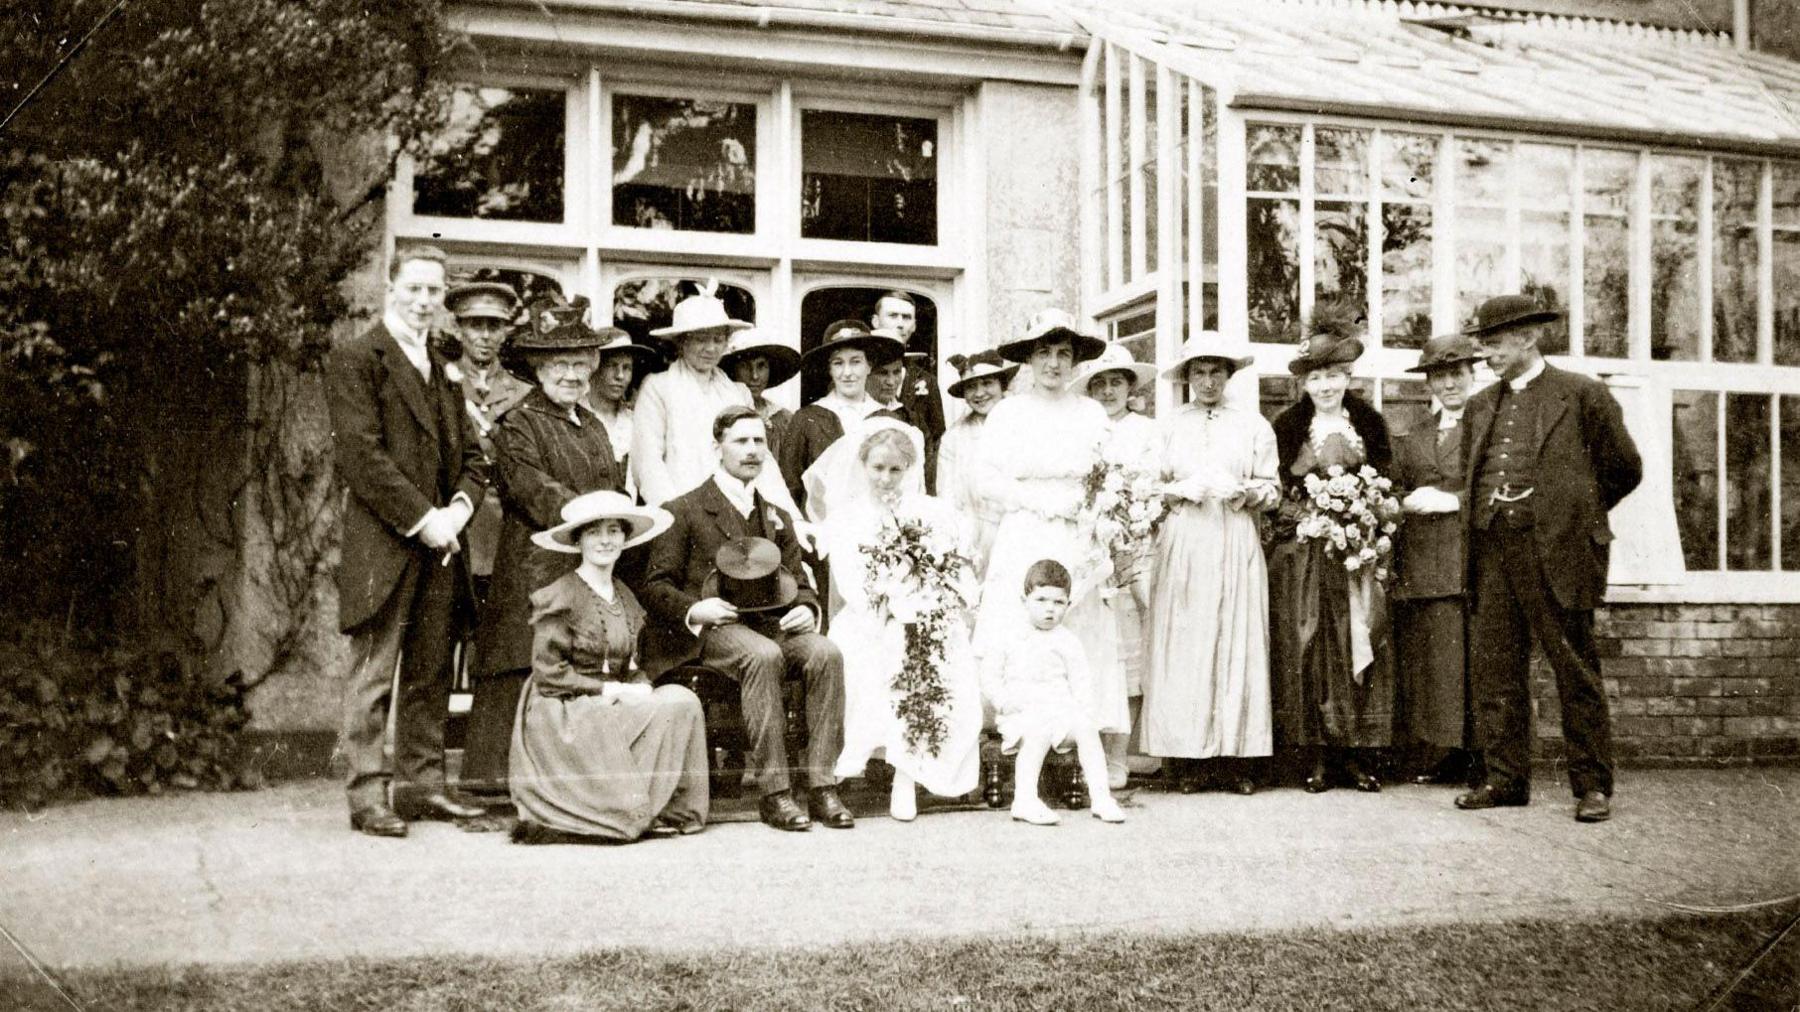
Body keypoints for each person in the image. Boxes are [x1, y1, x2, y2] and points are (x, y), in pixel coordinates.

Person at [325, 245, 495, 837]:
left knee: (430, 672)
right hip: (387, 543)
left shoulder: (443, 366)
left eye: (434, 291)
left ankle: (422, 788)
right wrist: (426, 520)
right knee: (374, 673)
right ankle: (367, 794)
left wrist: (458, 509)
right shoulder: (357, 358)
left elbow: (473, 457)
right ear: (390, 288)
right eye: (415, 289)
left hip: (442, 544)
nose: (425, 301)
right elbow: (362, 457)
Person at [1454, 295, 1641, 824]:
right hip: (1492, 549)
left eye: (1492, 342)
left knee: (1574, 669)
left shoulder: (1582, 395)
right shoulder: (1480, 405)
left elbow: (1624, 468)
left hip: (1557, 552)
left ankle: (1592, 786)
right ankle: (1506, 779)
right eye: (1482, 342)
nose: (1484, 351)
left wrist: (1573, 514)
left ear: (1528, 337)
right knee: (1495, 670)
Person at [641, 406, 853, 833]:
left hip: (770, 627)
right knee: (762, 655)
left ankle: (821, 786)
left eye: (759, 442)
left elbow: (798, 578)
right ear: (717, 447)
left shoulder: (775, 514)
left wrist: (806, 608)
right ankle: (775, 792)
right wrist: (694, 609)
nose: (752, 450)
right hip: (713, 632)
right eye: (741, 441)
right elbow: (655, 585)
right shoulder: (684, 510)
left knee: (825, 652)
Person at [465, 296, 626, 796]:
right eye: (560, 364)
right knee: (524, 661)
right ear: (538, 368)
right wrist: (594, 518)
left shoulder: (595, 425)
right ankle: (495, 784)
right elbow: (531, 488)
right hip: (534, 567)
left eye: (581, 363)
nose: (572, 375)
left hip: (586, 563)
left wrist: (615, 519)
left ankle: (558, 786)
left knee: (572, 670)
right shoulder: (520, 422)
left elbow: (613, 488)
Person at [804, 418, 982, 821]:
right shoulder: (847, 518)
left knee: (938, 648)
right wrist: (889, 605)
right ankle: (870, 763)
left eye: (895, 470)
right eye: (878, 468)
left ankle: (908, 773)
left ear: (910, 470)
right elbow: (852, 582)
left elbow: (952, 569)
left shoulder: (933, 513)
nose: (886, 478)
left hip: (923, 614)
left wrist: (928, 603)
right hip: (871, 616)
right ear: (863, 466)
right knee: (879, 652)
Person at [509, 491, 708, 844]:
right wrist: (611, 690)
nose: (605, 540)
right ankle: (622, 809)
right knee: (652, 706)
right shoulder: (561, 595)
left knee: (681, 700)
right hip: (565, 710)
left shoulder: (625, 596)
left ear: (625, 538)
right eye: (594, 532)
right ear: (578, 540)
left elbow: (628, 665)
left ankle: (664, 807)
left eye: (614, 530)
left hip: (610, 701)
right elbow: (548, 673)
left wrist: (639, 684)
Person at [975, 309, 1126, 749]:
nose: (1054, 363)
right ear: (1029, 359)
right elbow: (985, 479)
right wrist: (1035, 500)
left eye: (1064, 353)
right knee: (1022, 625)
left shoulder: (1091, 411)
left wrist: (1095, 511)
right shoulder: (1008, 412)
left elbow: (1110, 473)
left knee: (1079, 630)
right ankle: (1022, 738)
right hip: (1026, 530)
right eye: (1044, 353)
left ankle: (1077, 744)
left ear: (1076, 360)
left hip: (1079, 534)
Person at [1142, 333, 1280, 795]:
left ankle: (1238, 760)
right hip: (1185, 538)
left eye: (1215, 371)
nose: (1207, 381)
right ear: (1186, 378)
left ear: (1228, 374)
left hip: (1235, 536)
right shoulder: (1167, 426)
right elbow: (1144, 487)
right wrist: (1177, 490)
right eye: (1198, 372)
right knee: (1186, 641)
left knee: (1236, 637)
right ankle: (1187, 759)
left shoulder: (1253, 425)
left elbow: (1273, 488)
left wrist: (1247, 491)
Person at [1268, 303, 1396, 794]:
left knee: (1359, 646)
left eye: (1334, 376)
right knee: (1315, 650)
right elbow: (1275, 494)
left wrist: (1368, 515)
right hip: (1306, 558)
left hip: (1357, 554)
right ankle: (1317, 756)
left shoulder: (1369, 422)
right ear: (1304, 383)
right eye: (1315, 378)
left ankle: (1357, 757)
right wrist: (1311, 519)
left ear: (1347, 376)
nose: (1325, 387)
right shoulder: (1287, 427)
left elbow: (1387, 485)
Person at [1390, 333, 1484, 787]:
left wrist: (1455, 502)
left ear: (1472, 375)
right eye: (1439, 376)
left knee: (1470, 659)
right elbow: (1396, 483)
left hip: (1468, 559)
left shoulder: (1487, 423)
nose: (1449, 384)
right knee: (1432, 661)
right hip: (1421, 561)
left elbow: (1501, 486)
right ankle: (1444, 749)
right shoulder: (1416, 431)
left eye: (1457, 374)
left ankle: (1479, 754)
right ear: (1428, 383)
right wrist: (1402, 501)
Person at [1071, 342, 1159, 791]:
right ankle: (1080, 754)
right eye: (1100, 383)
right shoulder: (1079, 426)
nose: (1108, 391)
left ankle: (1120, 755)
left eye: (1116, 382)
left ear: (1130, 387)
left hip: (1134, 545)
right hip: (1088, 547)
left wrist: (1129, 523)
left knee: (1130, 650)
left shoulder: (1147, 431)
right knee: (1088, 651)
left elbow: (1153, 487)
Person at [631, 292, 801, 518]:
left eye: (718, 339)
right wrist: (676, 516)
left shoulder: (736, 392)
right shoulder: (659, 388)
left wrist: (790, 516)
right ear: (682, 341)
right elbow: (648, 464)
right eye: (701, 339)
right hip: (682, 512)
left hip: (736, 511)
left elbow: (761, 458)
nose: (711, 348)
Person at [983, 559, 1126, 826]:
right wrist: (1003, 702)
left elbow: (1081, 683)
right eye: (1041, 600)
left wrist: (1081, 712)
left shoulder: (1068, 641)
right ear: (1024, 599)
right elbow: (990, 676)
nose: (1050, 609)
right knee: (1037, 731)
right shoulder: (1009, 636)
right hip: (1022, 713)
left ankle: (1102, 798)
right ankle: (1024, 800)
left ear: (1068, 605)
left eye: (1058, 603)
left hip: (1060, 712)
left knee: (1086, 728)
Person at [446, 281, 531, 590]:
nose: (484, 335)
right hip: (452, 526)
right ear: (458, 329)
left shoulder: (523, 393)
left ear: (505, 332)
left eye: (494, 325)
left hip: (504, 535)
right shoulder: (440, 385)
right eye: (474, 325)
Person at [778, 320, 905, 514]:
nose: (847, 373)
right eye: (838, 363)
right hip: (823, 531)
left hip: (878, 530)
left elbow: (904, 484)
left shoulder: (889, 420)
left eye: (856, 362)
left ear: (869, 366)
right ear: (829, 369)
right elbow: (789, 487)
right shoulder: (806, 419)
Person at [936, 351, 1017, 583]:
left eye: (988, 383)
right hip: (974, 532)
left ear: (1003, 386)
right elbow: (947, 494)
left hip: (1018, 526)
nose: (980, 393)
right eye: (972, 386)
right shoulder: (955, 436)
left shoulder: (1023, 423)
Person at [871, 291, 946, 492]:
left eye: (906, 317)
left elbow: (936, 439)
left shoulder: (926, 381)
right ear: (876, 321)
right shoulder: (860, 373)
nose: (900, 323)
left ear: (914, 326)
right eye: (893, 316)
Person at [584, 326, 664, 501]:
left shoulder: (636, 421)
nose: (620, 376)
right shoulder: (575, 417)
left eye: (627, 368)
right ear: (594, 368)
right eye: (612, 366)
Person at [720, 328, 800, 463]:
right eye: (745, 366)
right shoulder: (722, 414)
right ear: (732, 371)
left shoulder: (785, 419)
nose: (755, 376)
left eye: (761, 366)